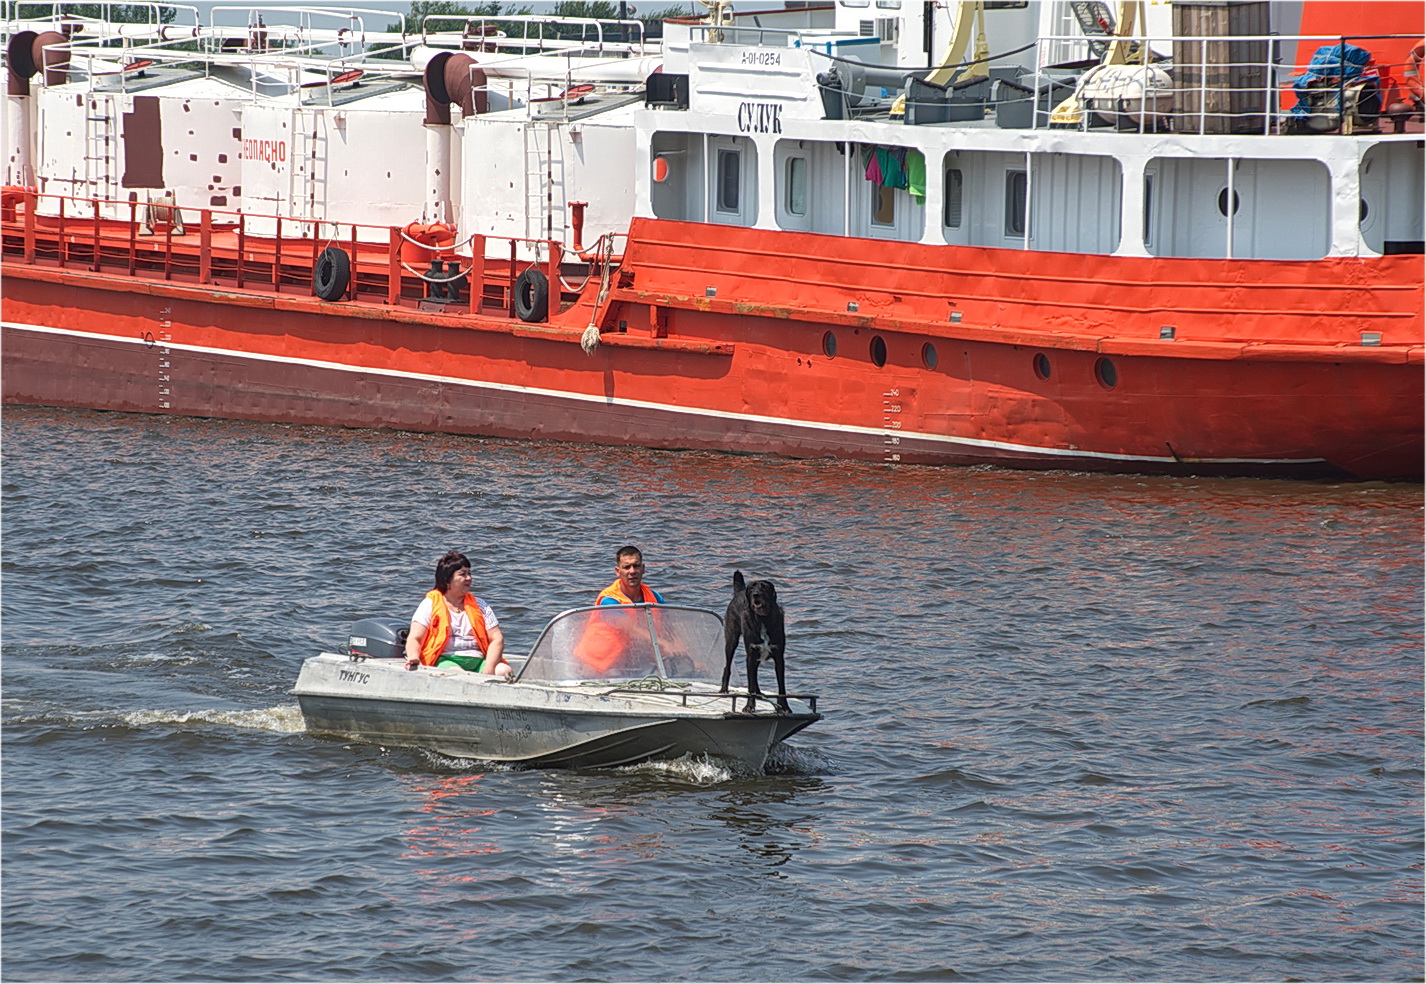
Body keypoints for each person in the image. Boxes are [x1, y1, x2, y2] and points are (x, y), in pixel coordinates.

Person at [404, 550, 512, 678]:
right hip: (445, 660)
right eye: (462, 574)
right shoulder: (429, 604)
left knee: (504, 671)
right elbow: (415, 638)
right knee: (458, 675)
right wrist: (414, 657)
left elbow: (497, 639)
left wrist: (489, 667)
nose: (469, 578)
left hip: (478, 660)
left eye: (469, 574)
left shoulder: (481, 604)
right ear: (448, 581)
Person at [595, 545, 665, 606]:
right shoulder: (609, 601)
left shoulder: (656, 597)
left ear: (643, 569)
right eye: (627, 567)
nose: (632, 571)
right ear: (618, 571)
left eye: (636, 566)